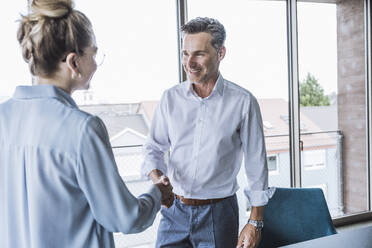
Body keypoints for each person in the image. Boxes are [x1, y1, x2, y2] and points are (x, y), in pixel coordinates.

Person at [0, 0, 172, 247]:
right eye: (94, 53)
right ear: (73, 62)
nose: (96, 63)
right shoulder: (82, 129)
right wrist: (157, 192)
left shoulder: (2, 118)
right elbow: (125, 218)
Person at [142, 17, 275, 248]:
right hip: (174, 210)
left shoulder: (243, 102)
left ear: (220, 53)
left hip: (219, 214)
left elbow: (256, 165)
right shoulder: (170, 98)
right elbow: (154, 148)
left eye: (199, 54)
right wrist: (158, 178)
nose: (190, 62)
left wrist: (256, 221)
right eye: (185, 54)